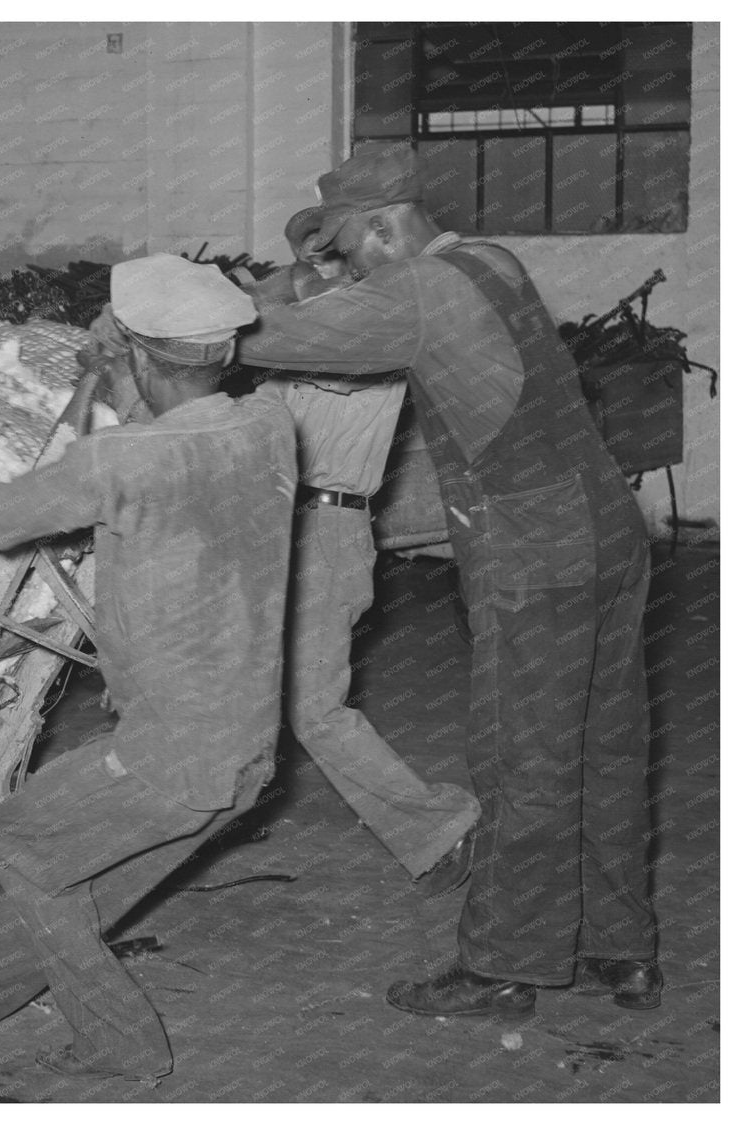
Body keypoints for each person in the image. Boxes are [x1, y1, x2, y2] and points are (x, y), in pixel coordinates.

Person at [233, 143, 660, 1014]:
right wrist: (326, 274)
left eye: (349, 248)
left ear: (385, 227)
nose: (346, 268)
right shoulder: (490, 258)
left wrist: (265, 293)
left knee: (523, 756)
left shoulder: (412, 294)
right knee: (604, 743)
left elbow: (241, 339)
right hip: (614, 529)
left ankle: (507, 964)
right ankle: (622, 947)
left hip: (535, 548)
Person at [0, 254, 297, 1081]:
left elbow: (8, 513)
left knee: (21, 841)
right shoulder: (268, 425)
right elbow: (113, 466)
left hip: (172, 754)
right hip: (250, 743)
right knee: (86, 868)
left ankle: (121, 1046)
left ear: (140, 356)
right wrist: (118, 373)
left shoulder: (124, 462)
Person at [245, 208, 481, 891]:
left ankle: (439, 827)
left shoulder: (367, 331)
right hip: (274, 521)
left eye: (325, 257)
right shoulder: (314, 325)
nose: (309, 271)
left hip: (323, 529)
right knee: (239, 679)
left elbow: (269, 330)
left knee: (315, 704)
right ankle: (224, 804)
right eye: (304, 262)